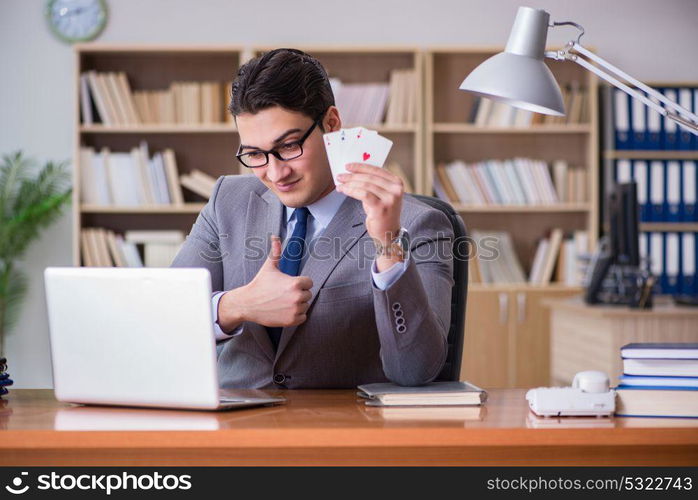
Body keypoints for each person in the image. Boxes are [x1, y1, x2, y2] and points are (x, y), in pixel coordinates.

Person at [171, 48, 454, 389]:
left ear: (331, 124)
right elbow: (165, 316)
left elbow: (417, 370)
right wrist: (237, 305)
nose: (276, 172)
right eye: (255, 154)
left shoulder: (419, 223)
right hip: (233, 428)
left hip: (340, 431)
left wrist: (388, 248)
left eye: (289, 146)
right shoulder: (227, 201)